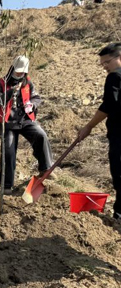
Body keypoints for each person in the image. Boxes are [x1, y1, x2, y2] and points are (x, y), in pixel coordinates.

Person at [0, 55, 52, 193]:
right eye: (17, 72)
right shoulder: (2, 83)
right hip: (7, 122)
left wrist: (33, 104)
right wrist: (10, 92)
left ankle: (45, 168)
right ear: (12, 69)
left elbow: (36, 97)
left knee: (40, 135)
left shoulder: (28, 83)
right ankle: (6, 186)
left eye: (21, 72)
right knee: (8, 151)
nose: (19, 74)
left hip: (24, 119)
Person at [77, 43, 121, 220]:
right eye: (102, 64)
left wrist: (89, 126)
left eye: (107, 62)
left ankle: (119, 214)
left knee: (119, 173)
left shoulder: (115, 77)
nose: (104, 67)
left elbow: (108, 106)